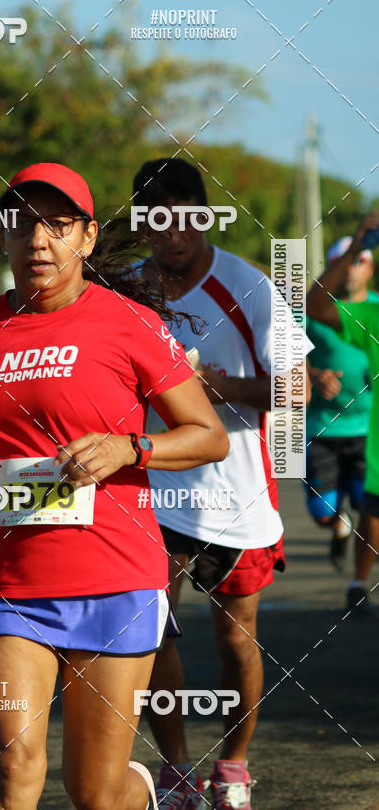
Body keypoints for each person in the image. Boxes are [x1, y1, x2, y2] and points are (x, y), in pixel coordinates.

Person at [0, 161, 229, 810]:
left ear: (87, 239)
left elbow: (208, 435)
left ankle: (143, 790)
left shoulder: (130, 324)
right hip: (6, 583)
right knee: (14, 771)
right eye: (22, 225)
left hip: (115, 577)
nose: (38, 240)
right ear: (3, 239)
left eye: (57, 226)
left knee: (94, 791)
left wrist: (131, 447)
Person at [130, 157, 312, 810]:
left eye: (184, 217)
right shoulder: (127, 290)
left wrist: (220, 389)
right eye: (157, 219)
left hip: (236, 498)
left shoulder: (249, 286)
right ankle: (176, 770)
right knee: (151, 629)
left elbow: (297, 388)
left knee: (235, 639)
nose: (171, 233)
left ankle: (232, 765)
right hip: (151, 491)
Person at [307, 212, 379, 615]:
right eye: (349, 260)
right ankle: (336, 527)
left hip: (369, 433)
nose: (354, 267)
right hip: (324, 427)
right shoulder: (355, 316)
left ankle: (357, 583)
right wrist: (314, 374)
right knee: (323, 513)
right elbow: (285, 354)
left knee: (369, 509)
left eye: (362, 260)